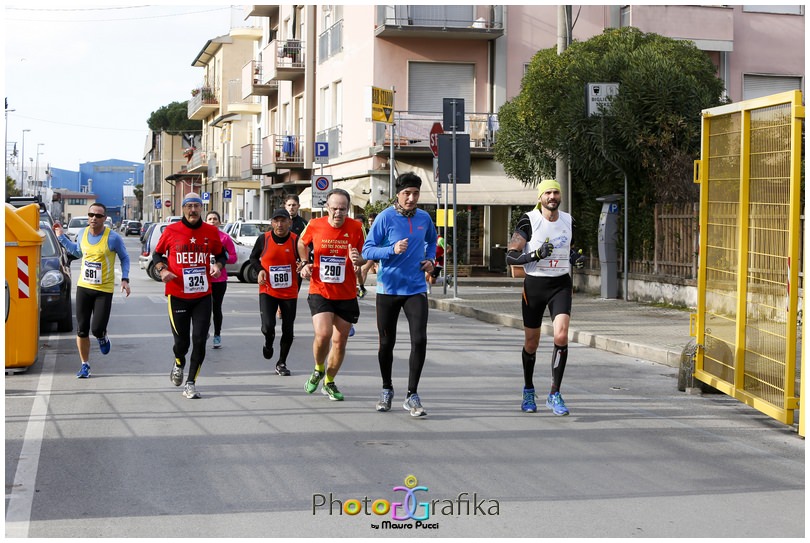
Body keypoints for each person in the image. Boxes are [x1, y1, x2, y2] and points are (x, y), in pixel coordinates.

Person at [505, 179, 585, 416]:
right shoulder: (529, 221)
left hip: (560, 283)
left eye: (556, 192)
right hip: (535, 285)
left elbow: (571, 249)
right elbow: (511, 257)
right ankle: (528, 389)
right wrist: (535, 254)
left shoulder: (569, 220)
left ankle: (554, 393)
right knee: (532, 342)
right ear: (540, 198)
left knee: (561, 334)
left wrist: (575, 259)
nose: (552, 196)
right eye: (548, 193)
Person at [362, 173, 437, 417]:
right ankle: (386, 389)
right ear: (398, 194)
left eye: (415, 193)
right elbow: (367, 249)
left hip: (415, 288)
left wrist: (431, 260)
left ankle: (412, 394)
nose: (412, 198)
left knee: (420, 340)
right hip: (388, 289)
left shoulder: (425, 218)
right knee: (386, 343)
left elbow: (432, 241)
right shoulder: (385, 218)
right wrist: (391, 249)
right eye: (407, 193)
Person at [153, 193, 227, 399]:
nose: (193, 210)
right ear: (183, 208)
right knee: (182, 343)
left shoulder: (211, 232)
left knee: (200, 339)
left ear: (201, 208)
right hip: (177, 294)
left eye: (197, 206)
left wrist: (218, 265)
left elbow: (222, 254)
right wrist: (162, 270)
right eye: (189, 206)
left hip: (203, 295)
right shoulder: (171, 230)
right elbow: (157, 254)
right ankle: (179, 363)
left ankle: (191, 382)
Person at [298, 188, 366, 401]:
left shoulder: (357, 227)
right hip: (320, 289)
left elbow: (367, 255)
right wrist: (305, 263)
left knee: (339, 342)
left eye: (343, 210)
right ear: (327, 207)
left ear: (348, 209)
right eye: (334, 209)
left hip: (346, 293)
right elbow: (301, 243)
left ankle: (329, 381)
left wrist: (359, 259)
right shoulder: (315, 225)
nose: (338, 214)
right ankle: (318, 368)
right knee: (324, 334)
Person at [54, 203, 131, 378]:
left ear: (104, 219)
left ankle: (102, 336)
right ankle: (85, 365)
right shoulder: (82, 234)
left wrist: (125, 278)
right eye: (91, 215)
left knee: (96, 329)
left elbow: (125, 258)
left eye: (98, 216)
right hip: (84, 287)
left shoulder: (113, 238)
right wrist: (61, 237)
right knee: (82, 329)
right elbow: (77, 251)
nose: (94, 218)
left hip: (104, 290)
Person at [249, 208, 300, 377]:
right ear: (271, 223)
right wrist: (260, 270)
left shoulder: (295, 240)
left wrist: (303, 265)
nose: (279, 224)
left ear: (289, 222)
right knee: (268, 326)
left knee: (288, 329)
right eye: (276, 221)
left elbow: (305, 261)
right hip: (267, 289)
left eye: (283, 221)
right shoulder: (264, 239)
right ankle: (268, 341)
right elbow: (253, 258)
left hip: (289, 292)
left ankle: (282, 362)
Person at [205, 210, 237, 349]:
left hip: (219, 279)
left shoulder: (224, 238)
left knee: (216, 308)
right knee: (204, 308)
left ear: (219, 222)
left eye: (215, 219)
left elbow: (233, 257)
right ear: (206, 221)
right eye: (210, 219)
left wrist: (223, 257)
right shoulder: (201, 237)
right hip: (203, 279)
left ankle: (217, 335)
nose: (212, 221)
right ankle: (204, 330)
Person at [357, 212, 378, 297]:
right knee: (359, 271)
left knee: (363, 270)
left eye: (372, 220)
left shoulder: (370, 230)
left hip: (372, 253)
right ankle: (361, 288)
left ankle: (361, 289)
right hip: (362, 254)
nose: (371, 222)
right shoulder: (354, 230)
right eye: (370, 221)